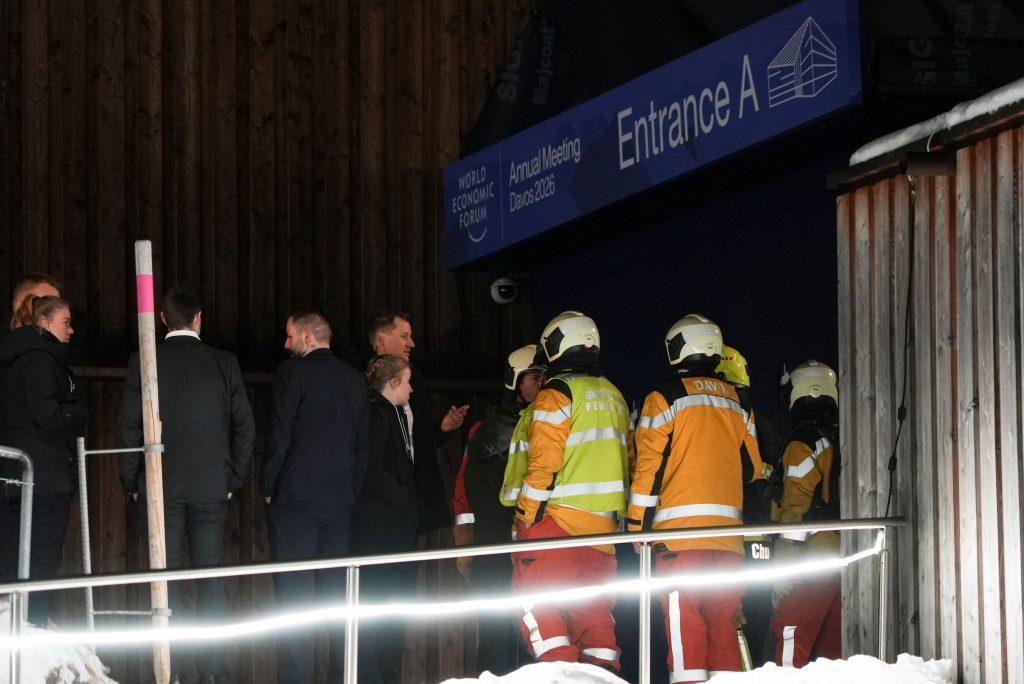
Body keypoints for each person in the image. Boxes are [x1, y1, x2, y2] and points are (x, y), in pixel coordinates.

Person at [119, 286, 255, 683]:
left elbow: (128, 427)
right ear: (198, 318)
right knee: (211, 582)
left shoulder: (143, 361)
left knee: (167, 582)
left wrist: (132, 480)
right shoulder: (224, 362)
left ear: (163, 319)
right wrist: (232, 478)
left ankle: (172, 673)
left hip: (159, 487)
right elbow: (245, 427)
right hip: (212, 487)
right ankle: (210, 674)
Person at [628, 314, 766, 684]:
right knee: (723, 629)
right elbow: (753, 468)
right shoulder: (739, 401)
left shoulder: (664, 397)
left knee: (685, 628)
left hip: (680, 540)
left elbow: (648, 471)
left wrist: (637, 527)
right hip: (728, 541)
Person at [511, 311, 630, 673]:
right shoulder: (614, 393)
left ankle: (560, 676)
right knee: (594, 616)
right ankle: (602, 677)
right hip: (604, 533)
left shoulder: (557, 393)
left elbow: (543, 462)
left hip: (556, 525)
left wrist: (525, 516)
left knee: (537, 606)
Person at [261, 307, 370, 684]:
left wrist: (268, 485)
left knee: (294, 597)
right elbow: (362, 447)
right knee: (337, 598)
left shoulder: (292, 372)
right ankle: (342, 676)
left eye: (290, 335)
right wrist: (351, 492)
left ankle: (297, 679)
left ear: (308, 336)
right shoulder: (354, 380)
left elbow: (280, 434)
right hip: (339, 501)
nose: (285, 343)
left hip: (296, 499)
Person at [454, 344, 544, 676]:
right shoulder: (484, 430)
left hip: (536, 551)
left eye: (545, 379)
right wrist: (466, 547)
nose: (541, 386)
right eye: (534, 379)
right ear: (516, 382)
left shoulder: (553, 427)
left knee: (537, 640)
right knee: (495, 640)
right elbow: (463, 494)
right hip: (493, 551)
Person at [0, 296, 88, 626]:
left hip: (15, 477)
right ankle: (32, 629)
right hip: (45, 478)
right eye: (66, 322)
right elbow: (46, 414)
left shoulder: (14, 359)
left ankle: (12, 630)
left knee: (13, 561)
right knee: (41, 560)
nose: (71, 330)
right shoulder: (41, 360)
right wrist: (78, 414)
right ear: (45, 323)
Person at [351, 354, 419, 684]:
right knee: (379, 611)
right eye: (407, 381)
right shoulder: (376, 414)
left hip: (392, 528)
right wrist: (402, 497)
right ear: (393, 383)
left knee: (391, 611)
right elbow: (370, 468)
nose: (411, 389)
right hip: (379, 530)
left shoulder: (393, 413)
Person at [769, 360, 841, 668]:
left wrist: (783, 564)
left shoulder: (803, 442)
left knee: (789, 640)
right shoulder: (840, 437)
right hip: (840, 558)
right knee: (831, 655)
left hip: (807, 560)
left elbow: (796, 506)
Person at [716, 345, 784, 669]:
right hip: (763, 543)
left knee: (728, 623)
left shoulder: (722, 422)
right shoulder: (765, 427)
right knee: (759, 624)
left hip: (731, 539)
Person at [368, 310, 462, 536]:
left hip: (417, 498)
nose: (411, 343)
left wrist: (441, 429)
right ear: (381, 338)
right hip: (382, 506)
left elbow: (414, 437)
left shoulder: (415, 383)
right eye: (404, 336)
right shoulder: (361, 387)